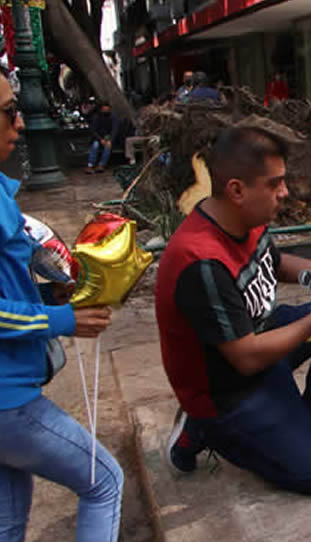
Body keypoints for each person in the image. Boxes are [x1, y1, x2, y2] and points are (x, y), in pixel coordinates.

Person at [156, 126, 311, 495]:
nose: (284, 193)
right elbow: (246, 359)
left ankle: (310, 423)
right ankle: (203, 427)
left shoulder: (243, 220)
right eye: (275, 184)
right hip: (226, 387)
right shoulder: (200, 262)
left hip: (257, 340)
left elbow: (274, 262)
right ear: (237, 190)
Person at [0, 70, 123, 542]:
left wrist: (49, 293)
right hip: (8, 402)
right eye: (10, 112)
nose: (21, 123)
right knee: (104, 483)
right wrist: (61, 319)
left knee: (9, 520)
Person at [86, 101, 118, 174]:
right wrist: (100, 139)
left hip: (108, 137)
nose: (106, 111)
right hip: (98, 137)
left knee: (108, 146)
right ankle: (90, 165)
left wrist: (110, 139)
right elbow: (93, 130)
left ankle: (101, 165)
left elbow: (115, 130)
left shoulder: (113, 117)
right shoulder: (96, 117)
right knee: (95, 145)